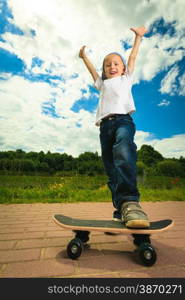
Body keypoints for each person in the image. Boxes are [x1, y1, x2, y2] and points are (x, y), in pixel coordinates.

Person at [79, 26, 149, 228]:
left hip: (123, 122)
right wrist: (84, 57)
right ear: (104, 70)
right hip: (105, 127)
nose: (112, 66)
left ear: (123, 68)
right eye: (108, 64)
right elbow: (93, 72)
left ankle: (131, 202)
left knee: (123, 152)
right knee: (111, 169)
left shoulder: (126, 79)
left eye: (116, 63)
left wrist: (138, 38)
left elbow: (133, 58)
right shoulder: (103, 84)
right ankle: (121, 208)